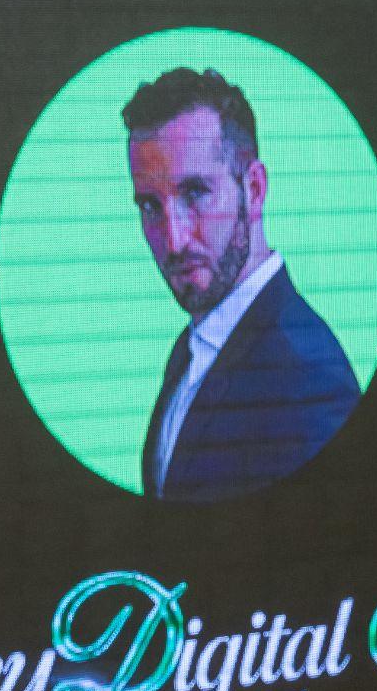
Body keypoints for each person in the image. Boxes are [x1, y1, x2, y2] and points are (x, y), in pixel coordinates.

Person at [124, 68, 360, 502]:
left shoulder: (309, 380)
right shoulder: (193, 348)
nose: (174, 240)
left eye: (195, 192)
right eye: (150, 206)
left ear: (253, 190)